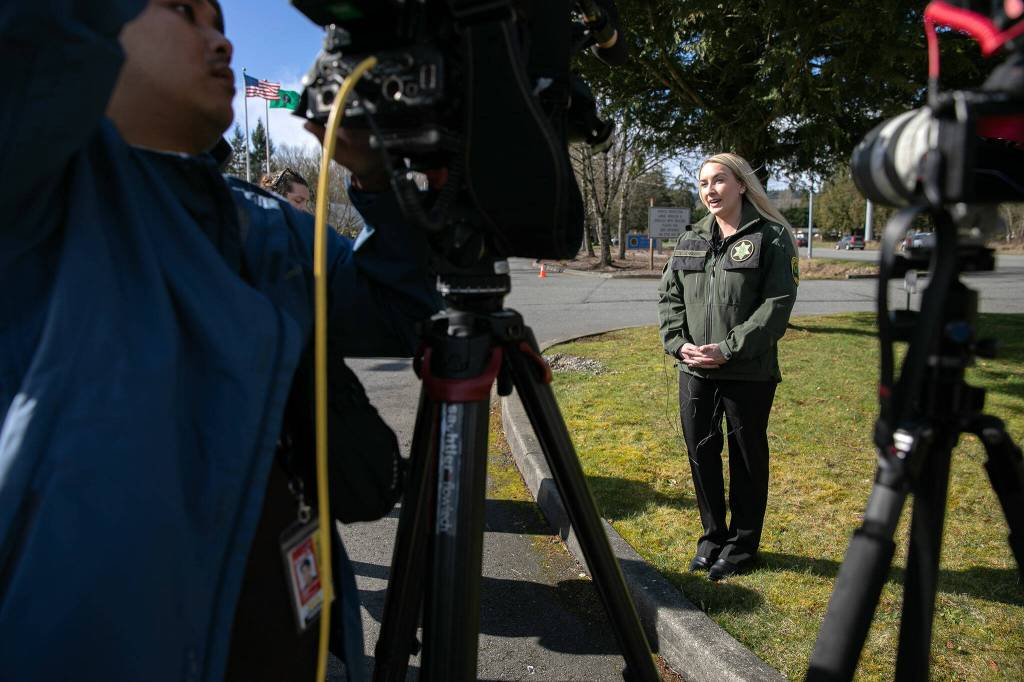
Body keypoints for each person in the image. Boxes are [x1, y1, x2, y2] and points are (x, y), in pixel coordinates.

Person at [0, 1, 438, 680]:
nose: (220, 43)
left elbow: (397, 312)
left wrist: (376, 180)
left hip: (312, 642)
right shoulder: (37, 191)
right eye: (185, 13)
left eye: (223, 25)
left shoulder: (259, 226)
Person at [657, 153, 798, 582]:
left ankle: (741, 545)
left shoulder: (771, 237)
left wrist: (729, 348)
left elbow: (776, 307)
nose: (710, 190)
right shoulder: (691, 239)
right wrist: (680, 346)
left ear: (741, 185)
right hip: (695, 370)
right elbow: (670, 298)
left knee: (746, 459)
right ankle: (712, 537)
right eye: (703, 183)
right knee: (701, 456)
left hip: (747, 371)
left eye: (719, 180)